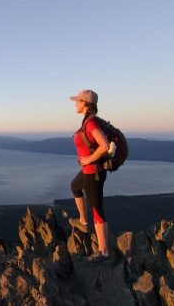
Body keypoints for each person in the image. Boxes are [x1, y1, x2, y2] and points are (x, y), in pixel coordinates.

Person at [68, 89, 111, 264]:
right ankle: (84, 222)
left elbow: (105, 145)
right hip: (89, 171)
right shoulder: (87, 121)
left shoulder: (91, 123)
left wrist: (89, 159)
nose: (75, 104)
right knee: (75, 186)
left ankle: (103, 252)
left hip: (94, 173)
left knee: (97, 210)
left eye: (77, 101)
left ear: (85, 104)